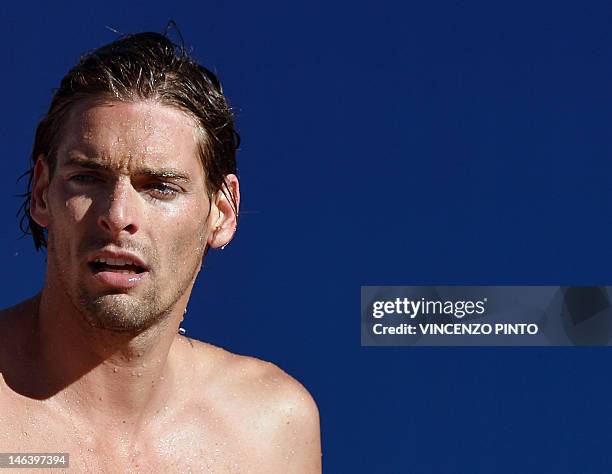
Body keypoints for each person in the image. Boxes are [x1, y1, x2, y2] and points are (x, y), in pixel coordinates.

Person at [0, 31, 321, 472]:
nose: (117, 215)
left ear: (223, 212)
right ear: (41, 192)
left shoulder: (267, 428)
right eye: (87, 177)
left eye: (160, 187)